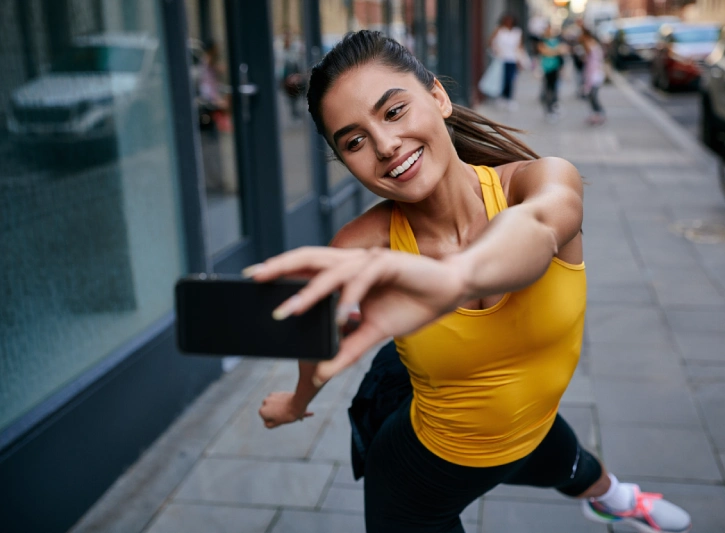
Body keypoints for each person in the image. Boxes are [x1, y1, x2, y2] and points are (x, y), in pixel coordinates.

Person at [248, 30, 691, 533]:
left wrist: (453, 277)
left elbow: (539, 228)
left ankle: (613, 497)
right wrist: (296, 402)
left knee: (569, 463)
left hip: (532, 428)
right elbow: (317, 339)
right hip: (421, 472)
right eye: (354, 141)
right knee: (546, 454)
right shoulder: (360, 247)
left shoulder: (540, 183)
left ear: (438, 97)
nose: (386, 145)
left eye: (394, 111)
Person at [489, 13, 524, 110]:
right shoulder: (499, 30)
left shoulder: (517, 32)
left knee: (510, 79)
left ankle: (509, 98)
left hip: (512, 58)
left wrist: (520, 59)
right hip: (501, 59)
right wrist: (496, 50)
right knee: (501, 79)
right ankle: (501, 97)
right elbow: (491, 42)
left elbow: (519, 46)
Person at [537, 24, 566, 121]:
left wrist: (552, 51)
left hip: (555, 67)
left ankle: (553, 106)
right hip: (546, 68)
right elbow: (544, 51)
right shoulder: (542, 41)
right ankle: (548, 108)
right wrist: (555, 51)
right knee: (547, 88)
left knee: (554, 88)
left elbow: (562, 50)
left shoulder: (556, 40)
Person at [580, 27, 607, 125]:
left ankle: (599, 113)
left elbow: (593, 63)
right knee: (592, 96)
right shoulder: (593, 45)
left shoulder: (591, 45)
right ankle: (596, 113)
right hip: (593, 74)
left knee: (593, 96)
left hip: (594, 75)